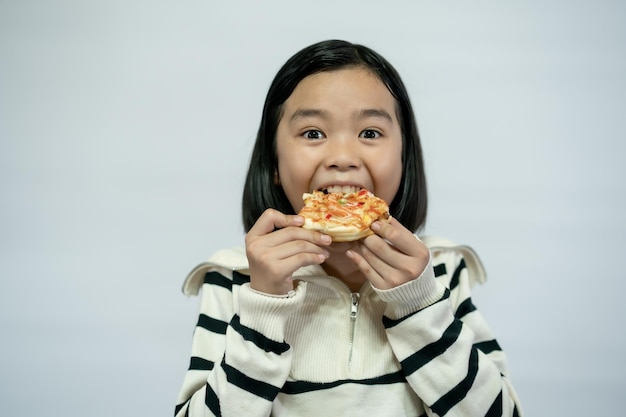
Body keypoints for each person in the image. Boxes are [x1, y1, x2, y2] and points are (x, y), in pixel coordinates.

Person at [174, 39, 523, 416]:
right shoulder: (236, 278)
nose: (342, 158)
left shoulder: (440, 271)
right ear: (273, 163)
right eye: (312, 133)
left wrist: (419, 306)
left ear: (404, 158)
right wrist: (264, 308)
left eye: (370, 133)